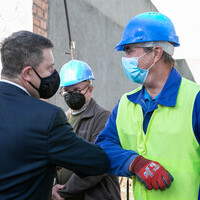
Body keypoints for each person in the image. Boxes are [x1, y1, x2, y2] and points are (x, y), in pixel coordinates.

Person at [95, 12, 200, 200]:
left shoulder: (195, 99)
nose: (125, 58)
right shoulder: (126, 103)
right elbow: (104, 146)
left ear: (156, 53)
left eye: (129, 50)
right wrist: (135, 162)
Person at [0, 30, 110, 200]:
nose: (53, 74)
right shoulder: (47, 118)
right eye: (49, 68)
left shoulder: (102, 116)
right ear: (28, 73)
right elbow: (99, 162)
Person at [51, 59, 121, 200]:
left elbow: (97, 165)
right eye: (67, 91)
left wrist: (64, 192)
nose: (71, 95)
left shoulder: (103, 118)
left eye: (76, 90)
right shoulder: (63, 118)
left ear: (90, 89)